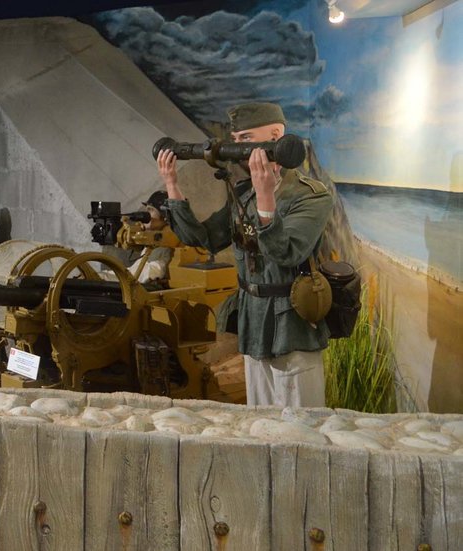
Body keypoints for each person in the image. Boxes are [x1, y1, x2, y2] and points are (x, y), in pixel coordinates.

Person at [156, 103, 333, 407]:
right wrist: (172, 186)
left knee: (302, 426)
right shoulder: (243, 193)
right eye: (237, 140)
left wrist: (266, 198)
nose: (239, 147)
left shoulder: (311, 196)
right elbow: (206, 239)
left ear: (276, 135)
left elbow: (286, 253)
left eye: (247, 137)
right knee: (259, 423)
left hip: (292, 325)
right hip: (254, 323)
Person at [129, 190, 174, 285]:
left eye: (151, 210)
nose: (146, 215)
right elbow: (134, 271)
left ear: (165, 216)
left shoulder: (168, 244)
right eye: (147, 210)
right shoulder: (152, 239)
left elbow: (149, 273)